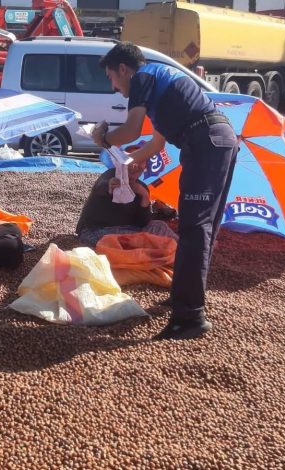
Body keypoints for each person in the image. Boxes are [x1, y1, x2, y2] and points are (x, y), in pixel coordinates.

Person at [92, 42, 239, 341]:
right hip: (218, 140)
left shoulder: (143, 77)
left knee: (194, 228)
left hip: (206, 142)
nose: (114, 87)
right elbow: (154, 144)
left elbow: (131, 131)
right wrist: (126, 166)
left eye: (111, 78)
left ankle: (190, 317)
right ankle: (185, 297)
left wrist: (102, 138)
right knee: (203, 226)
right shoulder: (160, 83)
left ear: (124, 69)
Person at [76, 161, 178, 247]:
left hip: (129, 229)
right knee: (142, 241)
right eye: (131, 160)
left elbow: (142, 223)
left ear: (145, 166)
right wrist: (110, 185)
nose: (134, 165)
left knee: (160, 226)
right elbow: (101, 187)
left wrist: (145, 197)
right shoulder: (111, 175)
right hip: (95, 231)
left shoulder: (142, 188)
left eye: (141, 161)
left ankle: (181, 248)